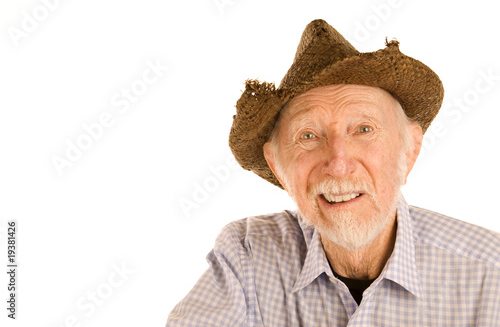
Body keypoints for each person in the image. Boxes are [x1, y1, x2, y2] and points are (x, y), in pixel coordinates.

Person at [166, 19, 500, 326]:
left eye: (364, 129)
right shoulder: (246, 256)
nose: (338, 164)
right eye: (308, 136)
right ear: (277, 166)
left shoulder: (490, 273)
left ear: (409, 150)